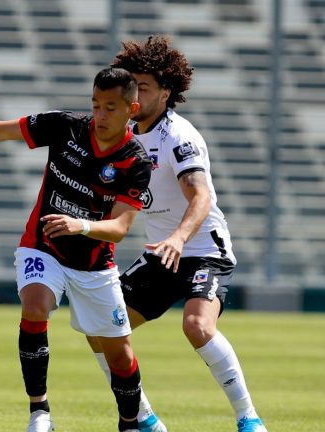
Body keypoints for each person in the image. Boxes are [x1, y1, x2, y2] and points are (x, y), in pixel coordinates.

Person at [0, 68, 153, 432]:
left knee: (120, 358)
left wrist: (83, 226)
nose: (100, 115)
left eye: (110, 107)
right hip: (41, 247)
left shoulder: (136, 161)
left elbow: (120, 228)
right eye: (95, 105)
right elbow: (1, 129)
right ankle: (40, 412)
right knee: (36, 305)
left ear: (131, 108)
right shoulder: (65, 126)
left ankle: (130, 423)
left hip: (94, 265)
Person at [85, 35, 267, 432]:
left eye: (143, 87)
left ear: (166, 92)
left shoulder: (178, 137)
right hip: (161, 254)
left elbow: (200, 197)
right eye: (130, 85)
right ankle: (145, 418)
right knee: (101, 330)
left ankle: (248, 419)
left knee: (197, 326)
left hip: (202, 249)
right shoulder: (123, 133)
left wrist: (180, 239)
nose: (134, 94)